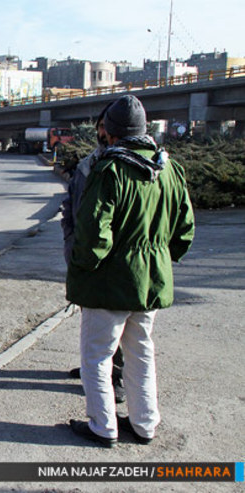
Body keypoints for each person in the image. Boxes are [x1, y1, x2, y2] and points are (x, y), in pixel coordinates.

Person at [67, 95, 195, 448]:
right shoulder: (169, 168)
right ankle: (144, 424)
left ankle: (103, 427)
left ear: (109, 131)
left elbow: (93, 236)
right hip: (150, 281)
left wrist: (82, 269)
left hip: (108, 283)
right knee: (141, 352)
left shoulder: (110, 169)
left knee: (97, 356)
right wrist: (159, 262)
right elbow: (184, 230)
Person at [61, 102, 126, 404]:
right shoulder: (90, 162)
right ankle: (95, 371)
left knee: (116, 326)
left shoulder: (122, 168)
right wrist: (70, 235)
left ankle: (116, 378)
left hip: (108, 261)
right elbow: (72, 202)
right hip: (82, 252)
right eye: (99, 127)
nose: (102, 132)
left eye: (105, 127)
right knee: (93, 323)